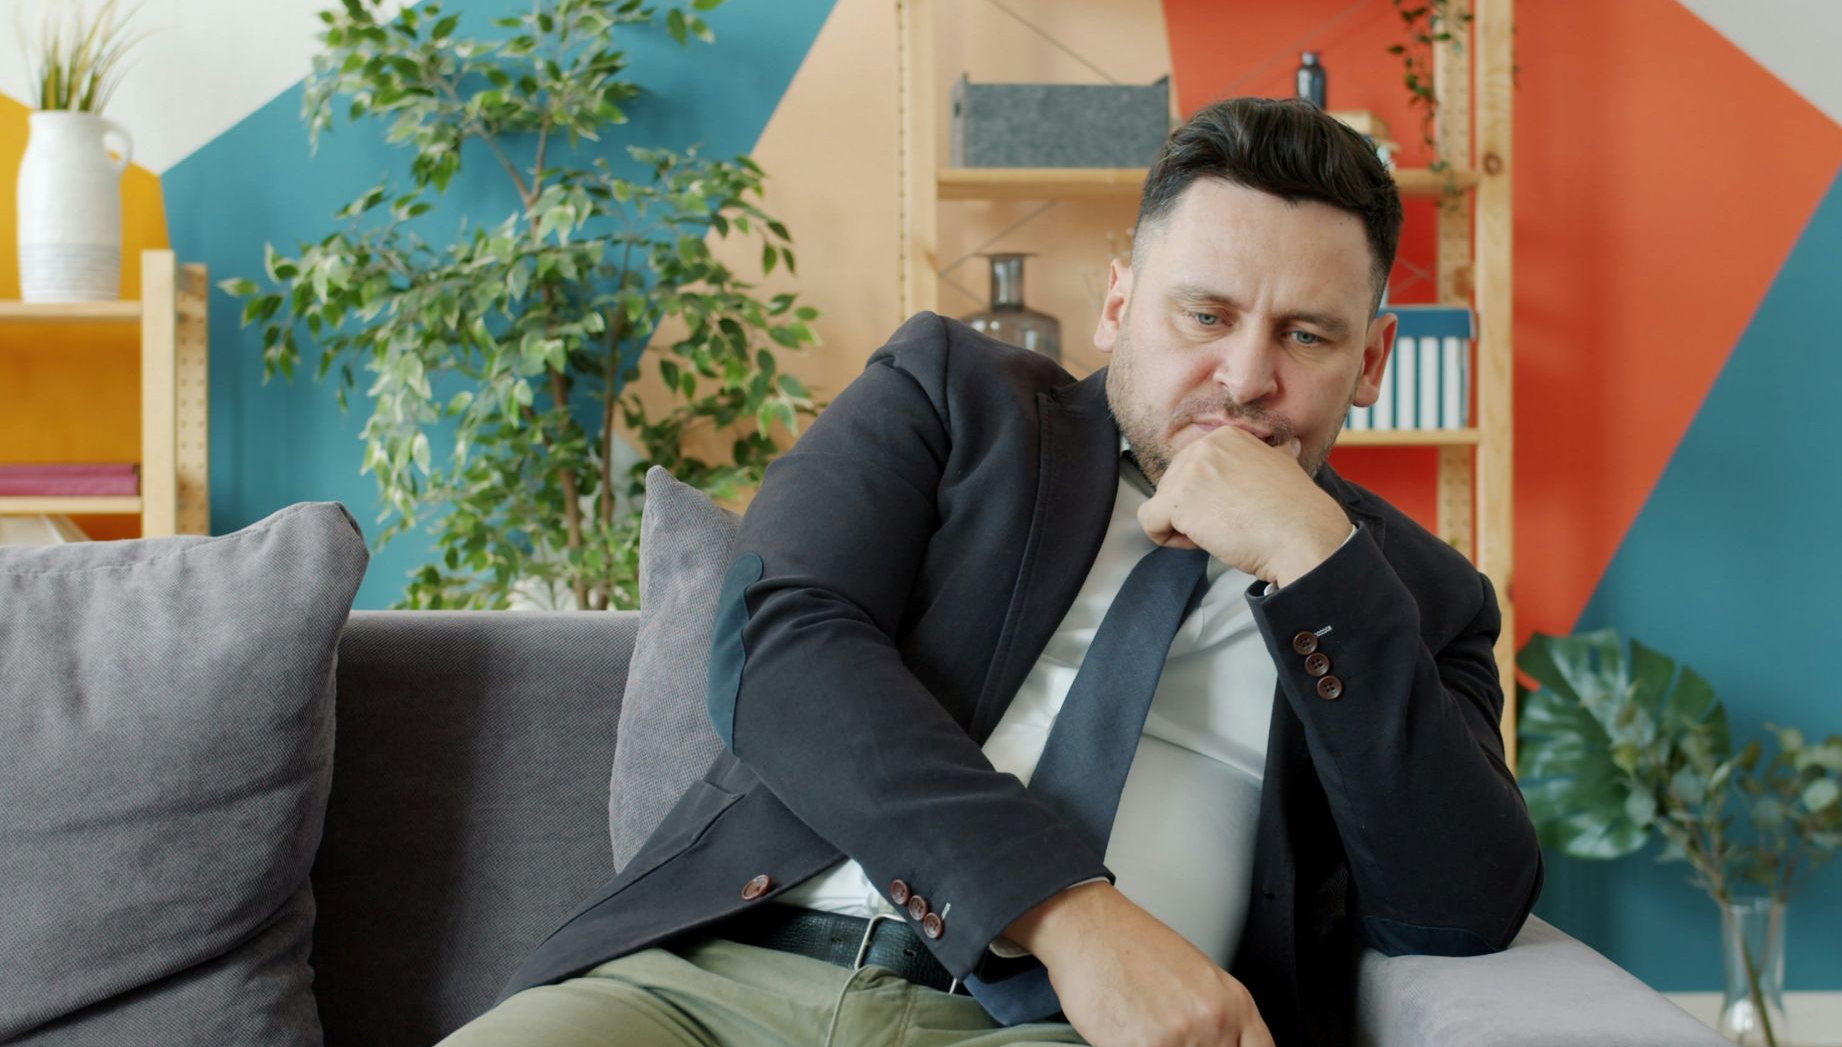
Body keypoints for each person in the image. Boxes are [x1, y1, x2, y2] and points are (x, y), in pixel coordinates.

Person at [441, 96, 1543, 1047]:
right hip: (711, 985)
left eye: (1307, 337)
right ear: (1119, 304)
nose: (1246, 378)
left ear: (1373, 362)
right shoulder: (950, 397)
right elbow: (780, 644)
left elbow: (1458, 907)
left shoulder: (1412, 596)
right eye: (1204, 315)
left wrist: (1315, 561)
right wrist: (1069, 914)